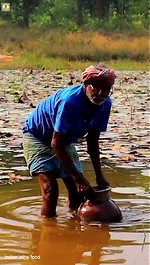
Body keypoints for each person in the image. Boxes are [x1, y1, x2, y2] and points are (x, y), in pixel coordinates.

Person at [22, 65, 116, 218]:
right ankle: (48, 230)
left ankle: (73, 223)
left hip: (63, 141)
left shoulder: (105, 105)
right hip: (37, 137)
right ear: (85, 85)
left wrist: (100, 176)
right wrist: (79, 178)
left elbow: (92, 142)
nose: (101, 94)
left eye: (106, 89)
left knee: (77, 192)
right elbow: (55, 144)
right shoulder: (70, 102)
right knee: (50, 188)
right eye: (96, 88)